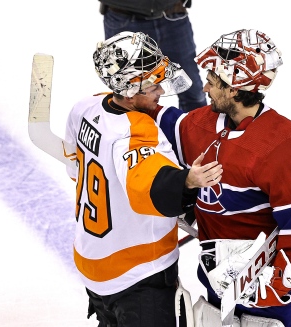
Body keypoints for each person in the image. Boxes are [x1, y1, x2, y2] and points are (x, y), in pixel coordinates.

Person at [151, 29, 291, 327]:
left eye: (212, 81)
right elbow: (162, 118)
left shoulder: (282, 144)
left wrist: (279, 283)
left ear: (234, 89)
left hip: (277, 293)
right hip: (220, 281)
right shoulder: (201, 125)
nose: (206, 88)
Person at [64, 31, 223, 327]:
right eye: (152, 85)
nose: (160, 91)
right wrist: (188, 181)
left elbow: (74, 167)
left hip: (91, 260)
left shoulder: (85, 107)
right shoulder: (137, 131)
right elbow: (152, 192)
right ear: (128, 90)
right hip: (137, 276)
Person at [97, 0, 207, 112]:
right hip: (123, 15)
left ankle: (199, 129)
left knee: (194, 95)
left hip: (173, 14)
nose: (162, 91)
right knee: (129, 96)